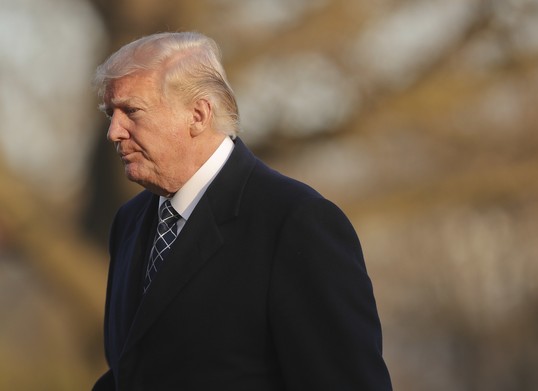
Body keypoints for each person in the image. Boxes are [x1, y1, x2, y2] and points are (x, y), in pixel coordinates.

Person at [92, 31, 392, 391]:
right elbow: (135, 373)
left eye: (131, 110)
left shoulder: (295, 222)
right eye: (111, 113)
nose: (113, 131)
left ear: (198, 114)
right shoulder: (129, 222)